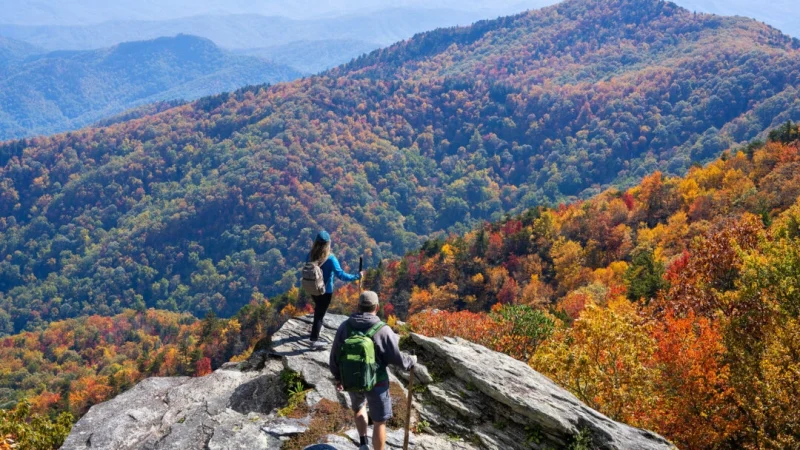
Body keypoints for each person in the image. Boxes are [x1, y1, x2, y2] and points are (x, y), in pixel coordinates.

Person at [329, 291, 416, 450]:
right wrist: (411, 361)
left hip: (352, 379)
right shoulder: (383, 330)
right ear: (377, 307)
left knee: (358, 407)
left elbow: (335, 355)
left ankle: (363, 444)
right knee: (379, 422)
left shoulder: (345, 327)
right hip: (377, 381)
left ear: (358, 306)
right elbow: (397, 358)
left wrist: (338, 377)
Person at [307, 230, 362, 349]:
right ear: (328, 244)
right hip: (325, 292)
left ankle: (317, 328)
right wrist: (357, 276)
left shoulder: (310, 255)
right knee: (319, 315)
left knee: (318, 310)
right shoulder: (330, 259)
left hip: (312, 288)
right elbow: (341, 275)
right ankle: (313, 340)